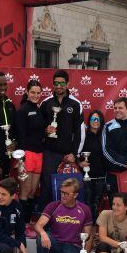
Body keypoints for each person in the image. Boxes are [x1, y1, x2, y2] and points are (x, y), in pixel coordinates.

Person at [34, 178, 92, 253]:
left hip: (73, 248)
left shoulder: (85, 210)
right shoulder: (53, 206)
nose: (63, 196)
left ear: (75, 195)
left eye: (66, 194)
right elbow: (38, 225)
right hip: (55, 245)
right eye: (61, 192)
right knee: (40, 237)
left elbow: (88, 237)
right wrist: (43, 233)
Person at [39, 70, 82, 208]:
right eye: (56, 83)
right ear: (53, 84)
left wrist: (74, 153)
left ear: (67, 84)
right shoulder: (46, 103)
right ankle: (46, 217)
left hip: (67, 154)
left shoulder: (75, 104)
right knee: (47, 186)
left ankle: (65, 217)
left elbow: (79, 132)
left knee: (67, 188)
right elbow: (37, 127)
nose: (59, 86)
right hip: (49, 153)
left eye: (62, 83)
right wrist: (45, 130)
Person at [15, 80, 46, 227]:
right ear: (27, 92)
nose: (35, 95)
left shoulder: (38, 109)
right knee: (25, 191)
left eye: (38, 93)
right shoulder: (23, 110)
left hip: (39, 154)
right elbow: (20, 135)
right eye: (32, 92)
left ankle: (27, 223)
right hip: (27, 154)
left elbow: (38, 132)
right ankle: (21, 226)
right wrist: (21, 159)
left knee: (33, 191)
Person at [78, 109, 108, 221]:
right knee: (87, 203)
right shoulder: (83, 135)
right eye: (93, 119)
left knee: (98, 204)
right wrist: (80, 163)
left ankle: (96, 229)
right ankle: (87, 228)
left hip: (101, 176)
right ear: (89, 120)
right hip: (87, 177)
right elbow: (76, 152)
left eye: (98, 119)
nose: (95, 121)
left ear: (101, 121)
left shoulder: (105, 136)